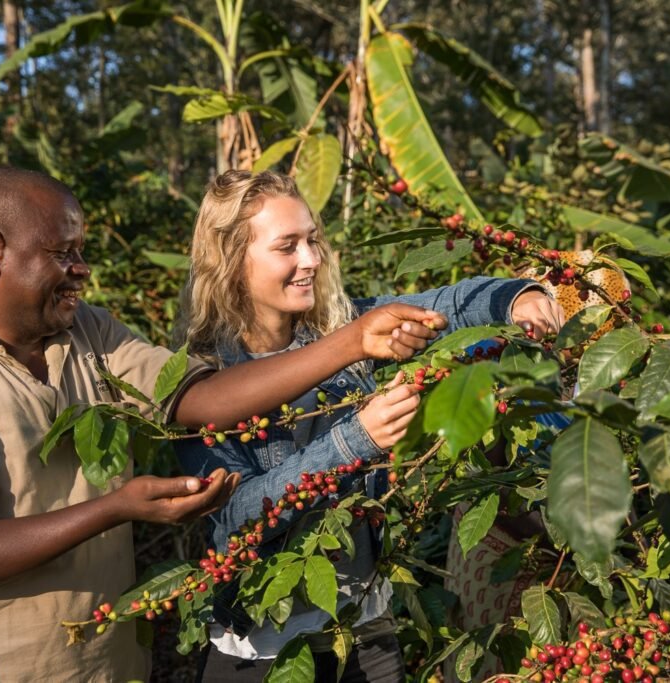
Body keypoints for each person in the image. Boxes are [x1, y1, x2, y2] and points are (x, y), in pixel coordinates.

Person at [0, 167, 450, 682]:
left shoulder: (85, 331)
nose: (82, 269)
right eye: (63, 253)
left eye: (80, 250)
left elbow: (202, 398)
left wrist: (349, 343)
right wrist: (118, 507)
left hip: (107, 663)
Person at [173, 170, 565, 682]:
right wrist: (357, 439)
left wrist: (516, 298)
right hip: (261, 650)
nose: (311, 260)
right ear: (231, 260)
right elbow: (237, 521)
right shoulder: (200, 382)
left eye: (313, 240)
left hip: (366, 629)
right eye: (286, 246)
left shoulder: (344, 327)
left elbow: (446, 305)